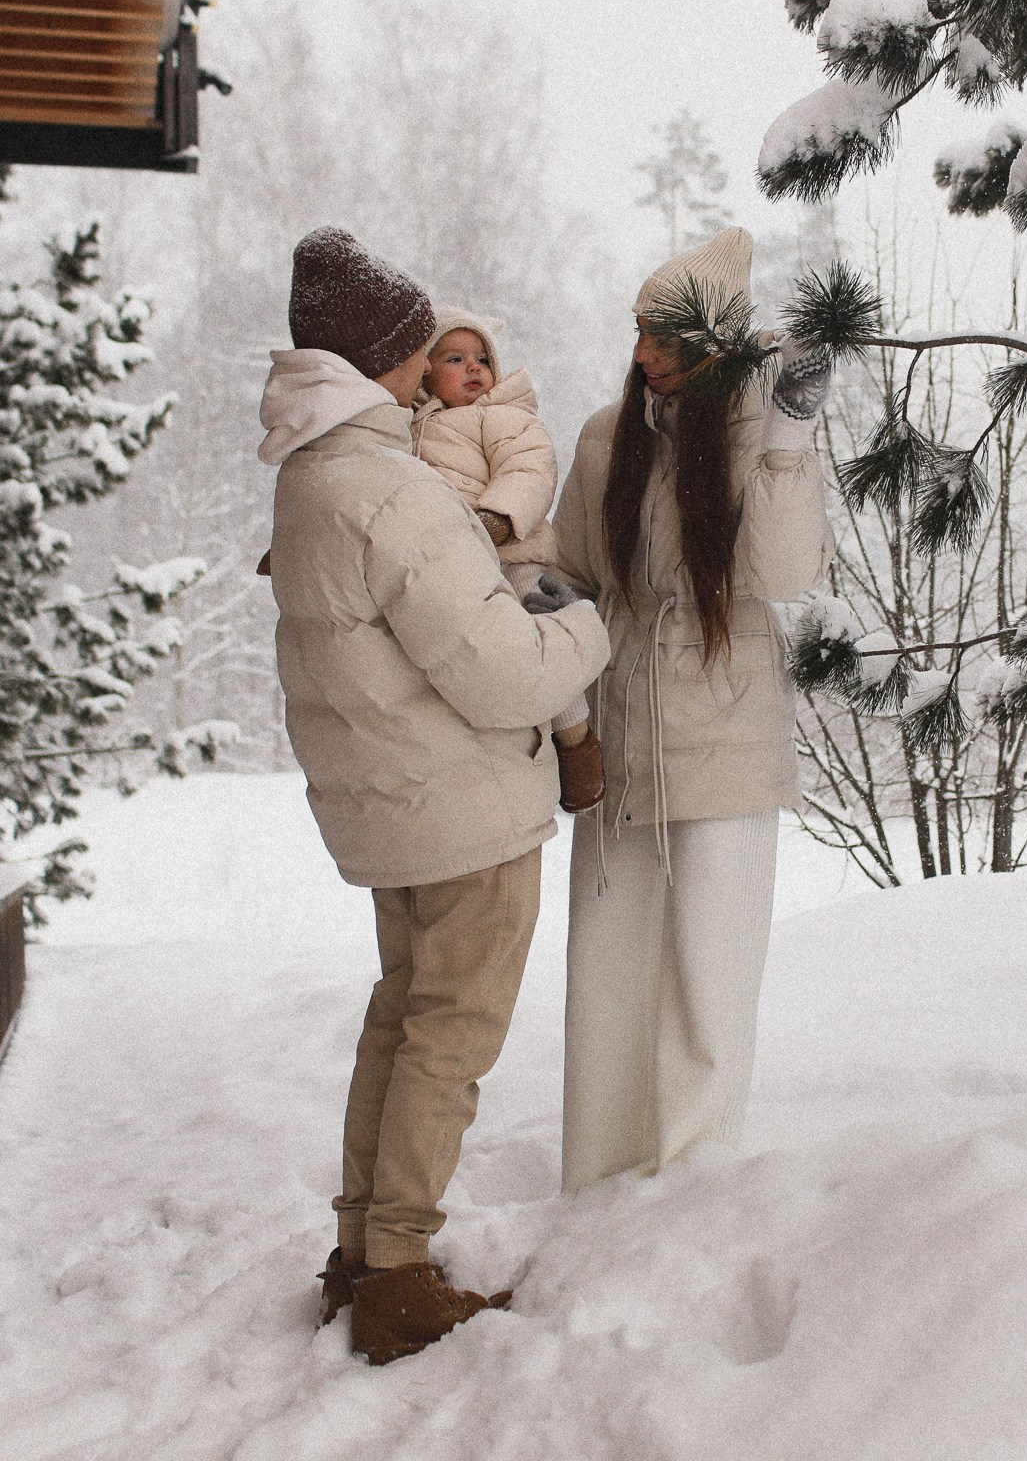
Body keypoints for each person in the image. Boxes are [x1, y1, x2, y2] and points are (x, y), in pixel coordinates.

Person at [259, 227, 610, 1364]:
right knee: (445, 1042)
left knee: (399, 1024)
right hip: (461, 811)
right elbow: (501, 668)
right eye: (415, 353)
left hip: (390, 806)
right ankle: (400, 1276)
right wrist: (591, 624)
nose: (426, 372)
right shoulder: (390, 490)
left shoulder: (312, 478)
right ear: (378, 363)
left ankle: (362, 1253)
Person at [549, 226, 834, 1193]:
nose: (642, 357)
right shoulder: (603, 438)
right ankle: (598, 1183)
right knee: (609, 978)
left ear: (715, 348)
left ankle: (694, 1185)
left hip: (728, 740)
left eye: (664, 341)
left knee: (710, 977)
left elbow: (785, 575)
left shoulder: (761, 434)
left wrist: (791, 440)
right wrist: (531, 587)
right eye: (638, 334)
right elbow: (573, 568)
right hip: (622, 739)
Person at [410, 308, 604, 812]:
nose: (475, 368)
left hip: (512, 553)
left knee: (533, 635)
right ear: (425, 369)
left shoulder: (503, 414)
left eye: (482, 359)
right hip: (451, 562)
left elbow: (530, 468)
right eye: (456, 358)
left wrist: (499, 516)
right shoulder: (406, 430)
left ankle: (575, 737)